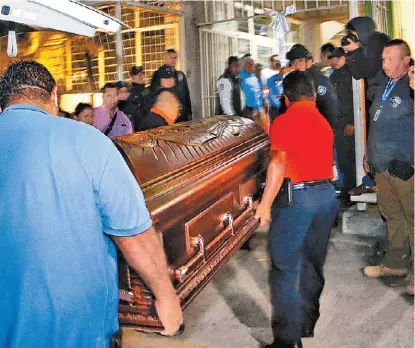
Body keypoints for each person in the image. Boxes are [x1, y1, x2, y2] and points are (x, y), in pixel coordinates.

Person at [0, 60, 183, 348]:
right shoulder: (89, 141)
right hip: (78, 331)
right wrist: (165, 294)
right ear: (54, 95)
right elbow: (132, 231)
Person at [255, 71, 339, 348]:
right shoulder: (323, 122)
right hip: (326, 198)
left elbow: (278, 161)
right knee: (312, 264)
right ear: (313, 95)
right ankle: (305, 324)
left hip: (299, 200)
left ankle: (286, 342)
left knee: (284, 268)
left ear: (286, 98)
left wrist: (265, 204)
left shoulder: (285, 120)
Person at [362, 40, 414, 295]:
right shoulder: (385, 86)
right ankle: (395, 264)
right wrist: (368, 154)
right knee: (392, 216)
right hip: (381, 165)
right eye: (383, 59)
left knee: (413, 218)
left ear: (407, 60)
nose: (385, 64)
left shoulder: (411, 86)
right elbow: (377, 122)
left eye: (391, 59)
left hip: (405, 166)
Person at [283, 44, 338, 129]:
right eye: (294, 62)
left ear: (308, 62)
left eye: (300, 61)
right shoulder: (293, 78)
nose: (297, 65)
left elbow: (331, 106)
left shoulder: (318, 79)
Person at [329, 47, 356, 206]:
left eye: (338, 58)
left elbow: (356, 100)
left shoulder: (351, 74)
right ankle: (348, 190)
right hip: (338, 125)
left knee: (350, 160)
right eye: (333, 58)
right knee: (343, 160)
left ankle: (351, 191)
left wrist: (352, 122)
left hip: (350, 125)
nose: (335, 60)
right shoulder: (332, 76)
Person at [343, 16, 390, 88]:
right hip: (377, 91)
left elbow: (370, 71)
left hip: (387, 89)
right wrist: (349, 54)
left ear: (361, 30)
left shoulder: (378, 39)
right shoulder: (365, 45)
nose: (352, 36)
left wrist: (356, 50)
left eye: (353, 33)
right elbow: (357, 75)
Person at [151, 49, 192, 122]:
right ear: (165, 58)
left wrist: (189, 112)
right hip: (167, 114)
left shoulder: (180, 75)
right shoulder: (158, 74)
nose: (173, 60)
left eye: (175, 58)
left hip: (182, 114)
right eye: (171, 58)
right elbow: (154, 93)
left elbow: (186, 94)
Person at [125, 66, 146, 131]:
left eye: (141, 74)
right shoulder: (128, 92)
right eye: (137, 74)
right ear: (132, 77)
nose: (140, 76)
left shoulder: (148, 91)